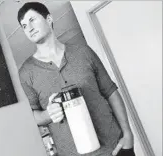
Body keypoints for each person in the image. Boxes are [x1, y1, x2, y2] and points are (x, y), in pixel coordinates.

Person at [17, 2, 135, 156]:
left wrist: (127, 133)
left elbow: (111, 91)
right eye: (24, 25)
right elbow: (32, 115)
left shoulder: (83, 52)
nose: (29, 28)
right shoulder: (26, 72)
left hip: (115, 147)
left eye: (32, 20)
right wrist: (47, 114)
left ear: (49, 19)